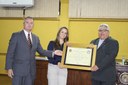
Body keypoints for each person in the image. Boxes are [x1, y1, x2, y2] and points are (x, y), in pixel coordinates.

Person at [5, 16, 62, 85]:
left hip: (30, 71)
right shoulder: (16, 36)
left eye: (31, 23)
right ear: (23, 24)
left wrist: (53, 53)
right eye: (27, 22)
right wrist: (9, 68)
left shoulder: (35, 38)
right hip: (18, 71)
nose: (29, 24)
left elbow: (41, 51)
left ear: (33, 25)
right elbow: (10, 53)